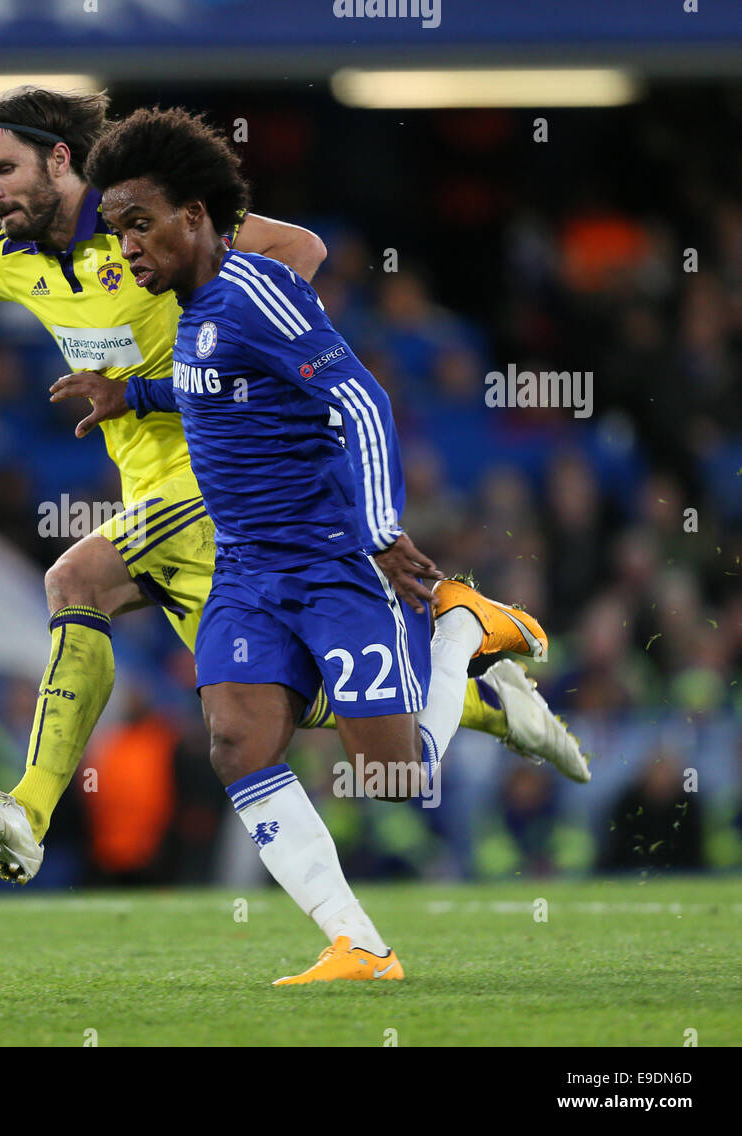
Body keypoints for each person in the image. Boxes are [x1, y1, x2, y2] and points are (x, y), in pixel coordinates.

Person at [0, 85, 583, 886]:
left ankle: (29, 810)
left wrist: (231, 351)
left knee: (77, 579)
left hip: (226, 481)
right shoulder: (18, 260)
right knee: (280, 703)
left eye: (2, 170)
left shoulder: (138, 219)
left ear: (60, 159)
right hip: (156, 499)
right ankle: (476, 694)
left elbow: (299, 250)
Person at [82, 106, 587, 982]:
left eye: (139, 223)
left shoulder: (256, 290)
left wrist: (382, 532)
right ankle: (360, 944)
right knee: (236, 743)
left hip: (328, 567)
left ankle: (464, 629)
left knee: (398, 781)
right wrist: (137, 400)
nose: (125, 247)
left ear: (195, 215)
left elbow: (361, 401)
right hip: (245, 571)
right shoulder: (196, 311)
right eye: (116, 228)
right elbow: (219, 390)